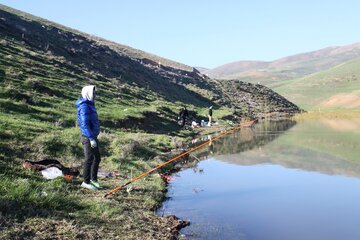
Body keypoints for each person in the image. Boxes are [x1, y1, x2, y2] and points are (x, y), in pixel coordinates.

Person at [75, 85, 102, 190]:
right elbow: (84, 124)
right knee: (89, 159)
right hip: (87, 137)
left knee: (97, 158)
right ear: (88, 93)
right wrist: (90, 138)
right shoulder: (84, 106)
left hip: (93, 136)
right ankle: (85, 181)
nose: (95, 95)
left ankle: (93, 179)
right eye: (93, 93)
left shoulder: (90, 104)